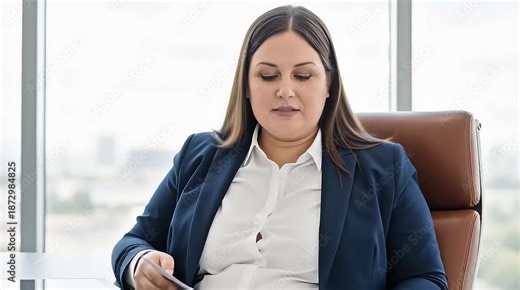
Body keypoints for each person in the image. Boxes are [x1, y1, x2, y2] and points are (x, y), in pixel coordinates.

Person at [112, 5, 448, 290]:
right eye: (268, 76)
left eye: (303, 76)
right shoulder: (200, 155)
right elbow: (133, 242)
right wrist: (139, 263)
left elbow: (424, 277)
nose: (285, 91)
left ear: (328, 84)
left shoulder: (383, 166)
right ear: (246, 85)